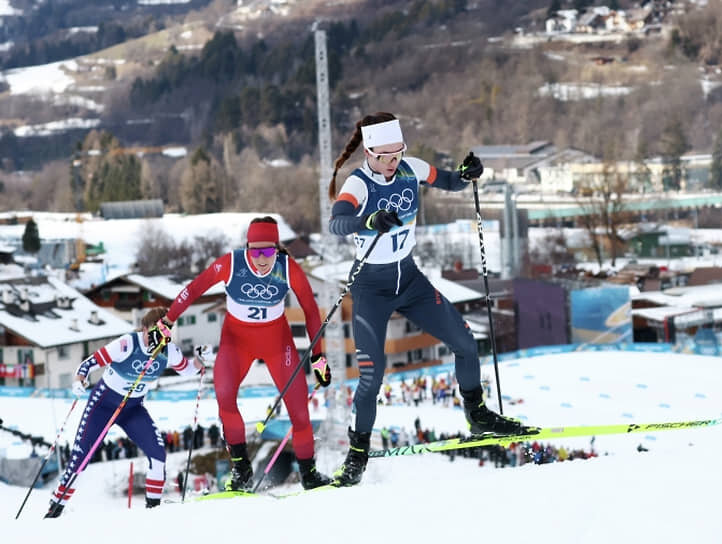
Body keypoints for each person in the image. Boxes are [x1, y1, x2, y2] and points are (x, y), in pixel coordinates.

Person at [326, 112, 526, 486]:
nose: (392, 162)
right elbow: (337, 222)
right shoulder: (358, 183)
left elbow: (449, 181)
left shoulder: (411, 168)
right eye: (384, 156)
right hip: (371, 289)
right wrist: (367, 221)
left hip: (410, 280)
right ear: (368, 153)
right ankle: (357, 453)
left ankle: (478, 414)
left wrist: (467, 174)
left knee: (465, 342)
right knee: (372, 376)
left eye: (397, 153)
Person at [154, 216, 332, 491]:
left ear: (277, 249)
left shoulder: (287, 268)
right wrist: (168, 320)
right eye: (255, 251)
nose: (261, 259)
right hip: (236, 342)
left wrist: (318, 357)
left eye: (268, 251)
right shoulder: (231, 263)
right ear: (247, 248)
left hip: (277, 344)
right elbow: (194, 289)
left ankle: (309, 475)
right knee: (225, 398)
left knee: (299, 411)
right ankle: (242, 471)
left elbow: (310, 310)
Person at [44, 308, 209, 519]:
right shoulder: (127, 344)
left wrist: (200, 359)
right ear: (144, 328)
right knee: (81, 459)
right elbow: (88, 364)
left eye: (162, 334)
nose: (156, 340)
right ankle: (55, 509)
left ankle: (154, 511)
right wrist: (78, 381)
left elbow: (187, 370)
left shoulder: (168, 351)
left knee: (158, 454)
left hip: (132, 409)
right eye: (152, 333)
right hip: (103, 407)